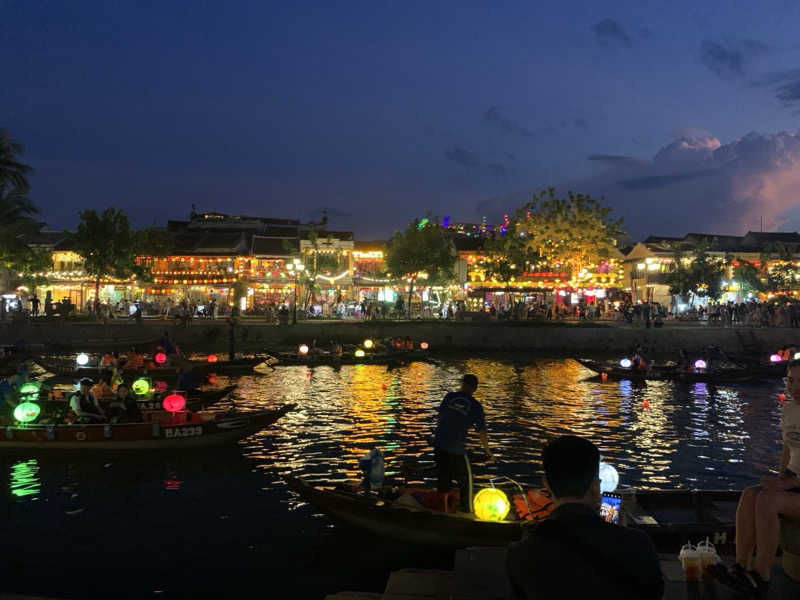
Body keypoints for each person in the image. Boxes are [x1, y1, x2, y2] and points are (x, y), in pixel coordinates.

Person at [506, 435, 663, 599]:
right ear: (595, 487)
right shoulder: (637, 544)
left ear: (547, 484)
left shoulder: (520, 554)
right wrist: (621, 534)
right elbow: (654, 593)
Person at [716, 359, 800, 597]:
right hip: (793, 480)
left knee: (768, 500)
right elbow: (788, 450)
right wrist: (781, 477)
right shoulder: (791, 408)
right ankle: (741, 567)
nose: (795, 387)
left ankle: (761, 576)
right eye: (791, 381)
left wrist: (788, 483)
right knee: (750, 494)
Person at [432, 374, 492, 513]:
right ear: (475, 388)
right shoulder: (476, 406)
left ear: (462, 384)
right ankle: (467, 511)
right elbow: (481, 432)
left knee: (444, 479)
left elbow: (440, 418)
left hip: (439, 442)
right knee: (466, 482)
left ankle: (442, 511)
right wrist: (488, 451)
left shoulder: (449, 397)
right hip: (455, 447)